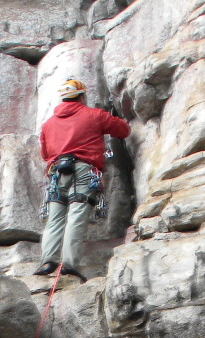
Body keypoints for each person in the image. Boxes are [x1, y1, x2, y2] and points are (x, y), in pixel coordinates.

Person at [34, 77, 130, 283]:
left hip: (57, 172)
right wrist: (114, 117)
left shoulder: (48, 124)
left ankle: (47, 261)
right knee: (76, 215)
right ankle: (69, 263)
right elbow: (123, 130)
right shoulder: (94, 115)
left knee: (55, 217)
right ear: (82, 96)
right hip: (84, 169)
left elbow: (45, 153)